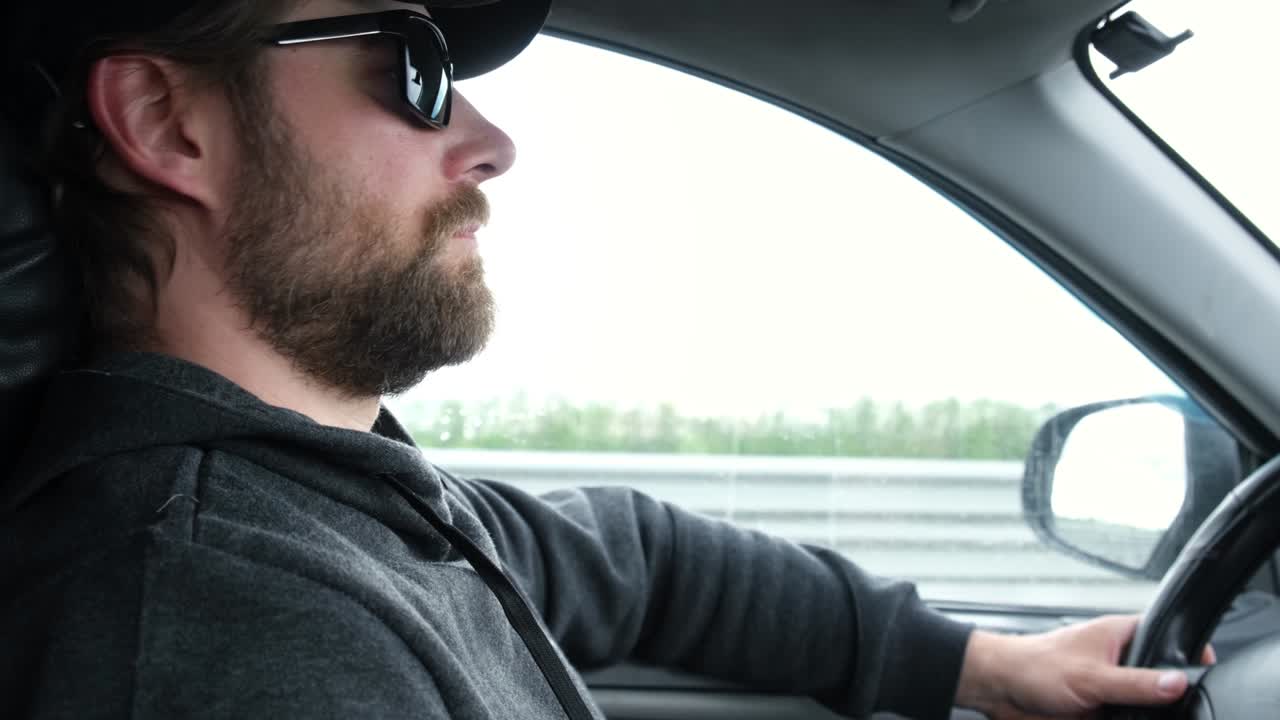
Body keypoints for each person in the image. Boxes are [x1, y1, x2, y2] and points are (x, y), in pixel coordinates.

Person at [0, 1, 1208, 718]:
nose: (492, 141)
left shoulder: (345, 510)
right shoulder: (221, 619)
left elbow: (636, 556)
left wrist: (980, 664)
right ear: (169, 125)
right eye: (412, 70)